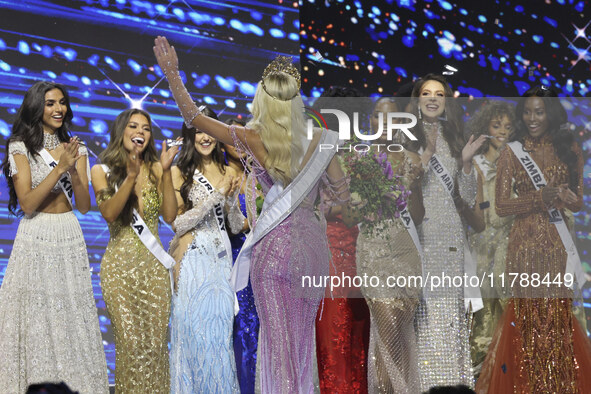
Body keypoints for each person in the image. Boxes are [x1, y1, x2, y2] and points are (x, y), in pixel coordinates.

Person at [154, 36, 348, 393]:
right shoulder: (322, 139)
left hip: (274, 251)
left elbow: (192, 117)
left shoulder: (252, 138)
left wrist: (173, 74)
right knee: (303, 343)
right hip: (312, 249)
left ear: (262, 98)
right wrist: (317, 204)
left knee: (277, 345)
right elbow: (344, 198)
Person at [475, 87, 591, 392]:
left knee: (556, 319)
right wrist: (541, 197)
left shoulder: (569, 148)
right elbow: (501, 206)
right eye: (527, 112)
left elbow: (579, 201)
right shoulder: (512, 151)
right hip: (524, 245)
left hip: (556, 244)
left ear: (550, 113)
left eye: (539, 112)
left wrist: (568, 197)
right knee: (527, 321)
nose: (532, 118)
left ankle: (557, 387)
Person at [0, 81, 108, 393]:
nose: (58, 108)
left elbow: (85, 206)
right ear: (37, 106)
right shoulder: (20, 146)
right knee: (37, 316)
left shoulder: (77, 148)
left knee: (71, 315)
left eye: (61, 102)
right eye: (50, 103)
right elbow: (28, 203)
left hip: (69, 235)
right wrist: (58, 166)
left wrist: (73, 169)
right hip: (36, 236)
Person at [90, 108, 179, 393]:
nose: (140, 132)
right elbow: (110, 214)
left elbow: (169, 215)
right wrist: (129, 178)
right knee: (129, 346)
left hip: (154, 271)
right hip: (119, 269)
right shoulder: (100, 170)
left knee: (154, 348)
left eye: (146, 128)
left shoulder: (155, 168)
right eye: (133, 126)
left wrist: (165, 172)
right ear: (121, 131)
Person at [408, 74, 486, 389]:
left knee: (449, 313)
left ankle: (452, 384)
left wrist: (466, 165)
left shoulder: (455, 139)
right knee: (424, 312)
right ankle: (425, 383)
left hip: (452, 235)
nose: (432, 98)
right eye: (426, 93)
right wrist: (420, 165)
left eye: (439, 94)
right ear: (416, 100)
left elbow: (466, 199)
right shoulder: (405, 137)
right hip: (419, 234)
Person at [344, 97, 425, 393]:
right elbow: (349, 214)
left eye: (392, 118)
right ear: (371, 121)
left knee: (399, 336)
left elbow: (418, 216)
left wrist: (413, 186)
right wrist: (372, 202)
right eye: (379, 117)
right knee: (388, 333)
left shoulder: (411, 159)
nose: (384, 124)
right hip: (374, 255)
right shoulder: (357, 157)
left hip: (406, 253)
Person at [168, 108, 241, 393]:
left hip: (221, 262)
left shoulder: (229, 171)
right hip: (193, 260)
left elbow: (234, 225)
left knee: (219, 339)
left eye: (210, 130)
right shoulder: (179, 171)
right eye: (198, 130)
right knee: (193, 337)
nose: (205, 136)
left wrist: (232, 199)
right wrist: (217, 195)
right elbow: (178, 222)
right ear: (190, 135)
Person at [312, 86, 371, 394]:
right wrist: (341, 208)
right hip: (331, 251)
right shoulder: (318, 155)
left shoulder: (363, 156)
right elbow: (311, 204)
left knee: (361, 334)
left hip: (365, 251)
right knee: (335, 331)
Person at [464, 101, 515, 376]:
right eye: (497, 125)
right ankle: (481, 380)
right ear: (485, 127)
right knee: (481, 323)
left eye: (508, 126)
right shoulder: (474, 162)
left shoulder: (519, 161)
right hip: (481, 248)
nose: (502, 131)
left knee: (511, 317)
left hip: (510, 247)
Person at [221, 117, 261, 394]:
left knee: (258, 330)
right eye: (231, 137)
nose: (239, 143)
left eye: (242, 136)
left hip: (261, 257)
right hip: (232, 258)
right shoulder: (220, 174)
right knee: (239, 330)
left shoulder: (260, 175)